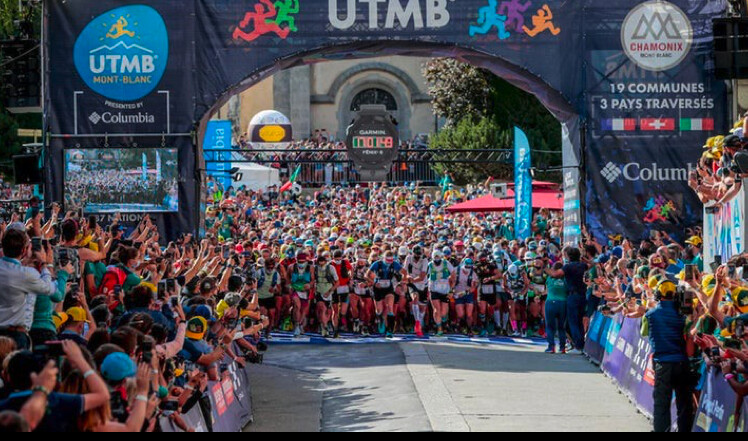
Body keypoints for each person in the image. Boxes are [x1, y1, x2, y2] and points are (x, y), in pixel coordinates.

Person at [641, 279, 695, 432]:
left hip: (662, 364)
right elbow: (689, 337)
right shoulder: (683, 316)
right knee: (685, 404)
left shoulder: (650, 315)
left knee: (661, 404)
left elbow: (643, 332)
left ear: (658, 294)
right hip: (682, 363)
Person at [0, 229, 66, 350]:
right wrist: (45, 264)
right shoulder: (26, 274)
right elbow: (51, 289)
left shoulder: (24, 272)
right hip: (16, 335)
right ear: (24, 250)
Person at [546, 247, 588, 354]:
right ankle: (581, 345)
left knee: (572, 322)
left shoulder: (568, 267)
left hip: (573, 296)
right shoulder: (583, 265)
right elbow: (593, 264)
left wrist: (544, 268)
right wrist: (585, 259)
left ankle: (578, 346)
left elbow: (555, 275)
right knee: (579, 321)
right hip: (582, 296)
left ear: (569, 256)